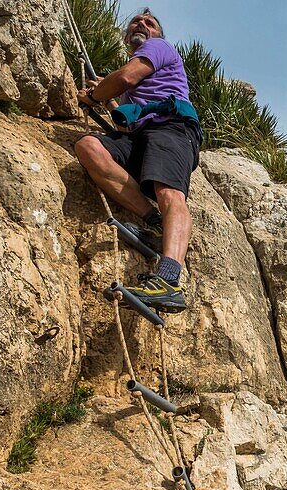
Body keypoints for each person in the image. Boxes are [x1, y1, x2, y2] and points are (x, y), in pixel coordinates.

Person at [74, 8, 200, 314]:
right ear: (126, 35)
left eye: (150, 23)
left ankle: (169, 281)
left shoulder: (158, 48)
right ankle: (154, 222)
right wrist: (110, 98)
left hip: (171, 127)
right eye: (136, 22)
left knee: (169, 192)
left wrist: (93, 96)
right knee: (89, 147)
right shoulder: (132, 94)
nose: (142, 24)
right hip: (141, 135)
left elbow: (128, 75)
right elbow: (125, 125)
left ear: (157, 34)